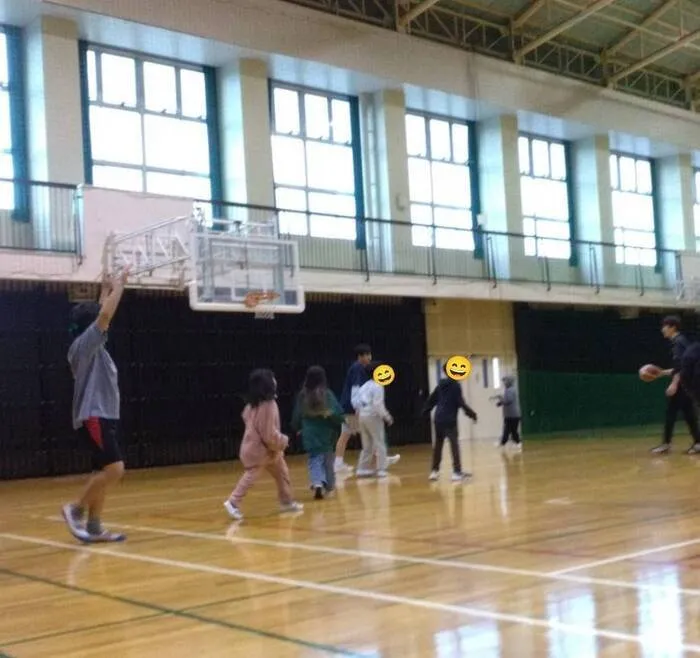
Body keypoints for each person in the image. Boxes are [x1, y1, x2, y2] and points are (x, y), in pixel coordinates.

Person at [61, 267, 130, 544]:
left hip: (102, 416)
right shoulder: (83, 345)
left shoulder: (91, 347)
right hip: (95, 416)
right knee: (116, 470)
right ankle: (74, 509)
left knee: (100, 473)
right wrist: (120, 287)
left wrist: (106, 288)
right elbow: (104, 316)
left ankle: (93, 526)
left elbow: (101, 313)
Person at [224, 369, 304, 521]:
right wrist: (283, 440)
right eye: (272, 378)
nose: (275, 380)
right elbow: (268, 434)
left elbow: (247, 417)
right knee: (250, 477)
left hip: (265, 451)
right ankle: (233, 502)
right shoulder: (268, 404)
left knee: (282, 473)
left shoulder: (253, 404)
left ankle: (286, 501)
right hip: (260, 451)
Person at [291, 365, 344, 500]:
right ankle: (330, 486)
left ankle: (317, 482)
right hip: (326, 432)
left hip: (310, 432)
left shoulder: (303, 395)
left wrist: (297, 427)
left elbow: (297, 415)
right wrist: (338, 419)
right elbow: (337, 413)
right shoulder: (327, 394)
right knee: (328, 461)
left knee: (314, 459)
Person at [650, 316, 700, 455]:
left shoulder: (678, 342)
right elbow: (680, 367)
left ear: (672, 327)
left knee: (673, 413)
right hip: (687, 382)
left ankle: (666, 444)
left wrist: (674, 384)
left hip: (684, 383)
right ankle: (697, 443)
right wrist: (661, 373)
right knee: (688, 414)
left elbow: (682, 367)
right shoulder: (681, 342)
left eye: (664, 326)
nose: (662, 330)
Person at [422, 365, 477, 481]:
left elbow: (431, 400)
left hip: (438, 419)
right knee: (454, 445)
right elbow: (461, 403)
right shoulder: (456, 386)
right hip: (450, 419)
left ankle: (434, 472)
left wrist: (424, 412)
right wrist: (472, 414)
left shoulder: (440, 385)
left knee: (438, 445)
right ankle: (457, 473)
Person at [353, 362, 397, 478]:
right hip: (373, 416)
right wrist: (387, 417)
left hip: (362, 415)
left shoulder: (364, 386)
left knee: (367, 444)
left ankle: (362, 469)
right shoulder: (378, 386)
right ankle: (381, 469)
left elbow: (357, 402)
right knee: (380, 443)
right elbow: (378, 405)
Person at [336, 343, 373, 473]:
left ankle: (338, 463)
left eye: (370, 354)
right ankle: (379, 460)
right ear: (360, 357)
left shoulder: (356, 367)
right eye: (367, 355)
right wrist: (358, 408)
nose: (369, 357)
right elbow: (355, 389)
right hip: (351, 409)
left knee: (345, 435)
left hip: (347, 407)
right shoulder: (358, 368)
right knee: (368, 434)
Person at [495, 376, 522, 451]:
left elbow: (508, 400)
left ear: (509, 382)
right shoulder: (508, 390)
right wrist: (501, 401)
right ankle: (516, 443)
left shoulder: (511, 390)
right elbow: (506, 400)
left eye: (505, 381)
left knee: (509, 430)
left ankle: (515, 443)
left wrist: (500, 399)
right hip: (509, 415)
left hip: (513, 415)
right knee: (510, 430)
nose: (504, 383)